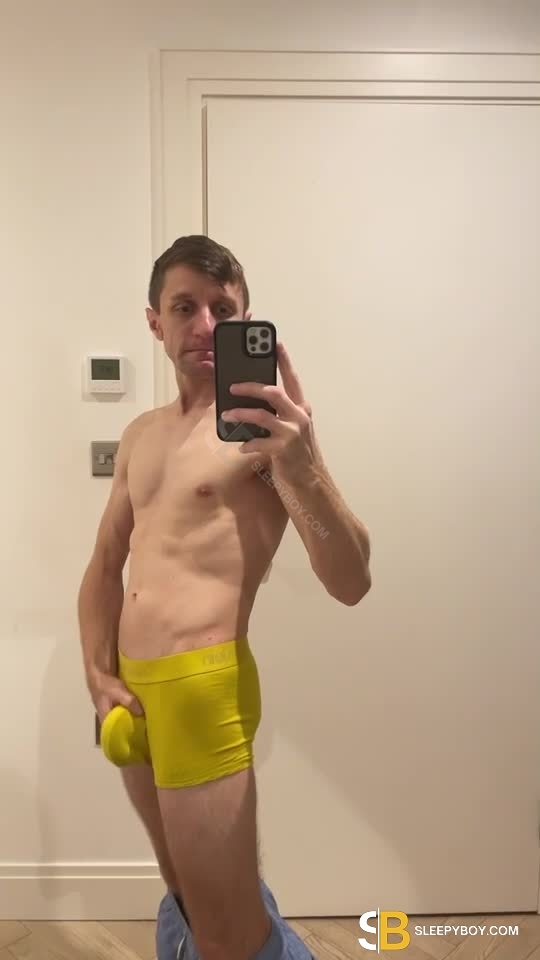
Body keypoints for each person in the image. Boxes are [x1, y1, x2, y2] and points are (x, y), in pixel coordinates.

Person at [77, 235, 371, 960]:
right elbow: (104, 566)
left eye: (223, 308)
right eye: (186, 307)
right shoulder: (141, 434)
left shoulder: (266, 437)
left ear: (246, 319)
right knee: (187, 894)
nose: (205, 325)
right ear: (156, 322)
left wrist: (302, 468)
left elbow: (351, 580)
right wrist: (96, 672)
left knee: (232, 937)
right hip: (133, 696)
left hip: (203, 689)